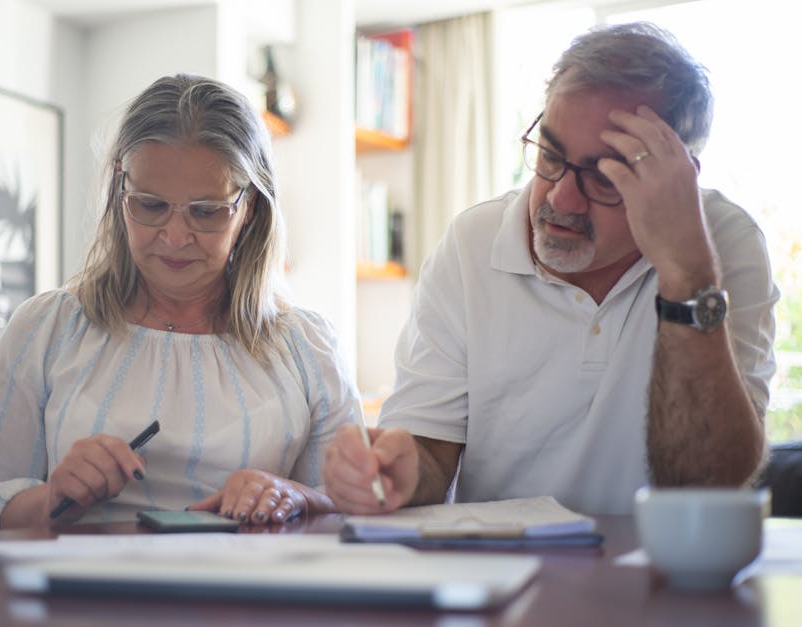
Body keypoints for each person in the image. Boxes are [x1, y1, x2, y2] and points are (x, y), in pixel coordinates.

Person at [323, 22, 778, 516]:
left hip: (662, 571)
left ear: (675, 178)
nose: (561, 197)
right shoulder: (472, 243)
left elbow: (706, 481)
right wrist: (401, 472)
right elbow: (430, 451)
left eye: (605, 175)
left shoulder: (722, 243)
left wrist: (687, 274)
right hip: (501, 571)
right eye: (550, 155)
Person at [0, 74, 357, 534]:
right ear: (120, 191)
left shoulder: (307, 348)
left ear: (249, 207)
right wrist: (52, 499)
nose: (174, 238)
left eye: (206, 211)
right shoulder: (46, 329)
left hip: (247, 603)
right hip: (83, 601)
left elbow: (357, 514)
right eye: (151, 206)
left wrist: (298, 497)